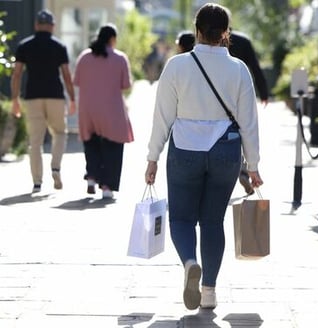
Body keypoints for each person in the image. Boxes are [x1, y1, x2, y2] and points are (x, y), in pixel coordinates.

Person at [145, 3, 263, 310]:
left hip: (184, 149)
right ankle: (209, 291)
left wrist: (152, 157)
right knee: (213, 221)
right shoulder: (238, 69)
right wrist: (253, 165)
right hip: (226, 150)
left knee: (182, 218)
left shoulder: (177, 66)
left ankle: (189, 262)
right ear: (226, 33)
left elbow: (162, 117)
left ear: (197, 31)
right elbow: (249, 121)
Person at [11, 9, 76, 193]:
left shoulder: (24, 46)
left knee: (35, 141)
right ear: (52, 26)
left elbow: (16, 75)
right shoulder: (59, 46)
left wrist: (15, 99)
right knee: (60, 133)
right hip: (55, 96)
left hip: (32, 97)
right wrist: (72, 98)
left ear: (36, 25)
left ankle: (37, 182)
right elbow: (66, 75)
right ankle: (55, 167)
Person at [73, 23, 133, 199]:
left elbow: (77, 81)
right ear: (112, 39)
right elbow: (126, 85)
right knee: (113, 147)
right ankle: (107, 187)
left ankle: (91, 177)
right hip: (111, 109)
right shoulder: (120, 58)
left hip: (87, 109)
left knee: (91, 143)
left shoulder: (84, 57)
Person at [226, 8, 269, 195]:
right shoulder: (243, 41)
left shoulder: (212, 42)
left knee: (227, 131)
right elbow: (255, 67)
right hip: (241, 92)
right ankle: (243, 167)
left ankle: (232, 168)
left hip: (220, 94)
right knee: (243, 129)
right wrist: (264, 92)